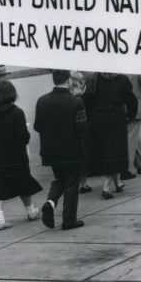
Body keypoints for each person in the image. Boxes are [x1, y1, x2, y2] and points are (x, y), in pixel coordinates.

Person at [0, 80, 42, 230]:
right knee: (23, 182)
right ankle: (31, 211)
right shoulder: (16, 112)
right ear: (12, 94)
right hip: (15, 156)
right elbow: (23, 137)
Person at [34, 69, 88, 231]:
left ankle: (50, 203)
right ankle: (69, 220)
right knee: (72, 182)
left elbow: (37, 126)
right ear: (69, 81)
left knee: (60, 179)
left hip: (50, 150)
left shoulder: (42, 101)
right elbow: (82, 129)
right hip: (71, 150)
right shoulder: (76, 102)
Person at [84, 72, 138, 199]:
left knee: (107, 152)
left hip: (97, 119)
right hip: (115, 118)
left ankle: (118, 183)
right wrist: (131, 114)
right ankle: (106, 187)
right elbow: (131, 99)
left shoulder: (93, 79)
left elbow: (86, 100)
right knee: (115, 153)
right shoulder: (122, 79)